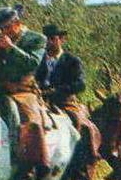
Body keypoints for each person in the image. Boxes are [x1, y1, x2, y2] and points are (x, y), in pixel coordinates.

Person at [0, 5, 50, 180]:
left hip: (23, 91)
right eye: (1, 28)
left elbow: (32, 63)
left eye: (5, 28)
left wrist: (11, 48)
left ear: (16, 24)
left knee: (30, 120)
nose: (2, 31)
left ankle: (30, 163)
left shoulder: (37, 39)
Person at [35, 23, 101, 163]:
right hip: (39, 100)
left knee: (80, 124)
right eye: (46, 39)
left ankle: (84, 159)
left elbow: (80, 84)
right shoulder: (38, 60)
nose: (49, 42)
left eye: (52, 38)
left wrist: (58, 90)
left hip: (64, 101)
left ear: (61, 39)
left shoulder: (72, 60)